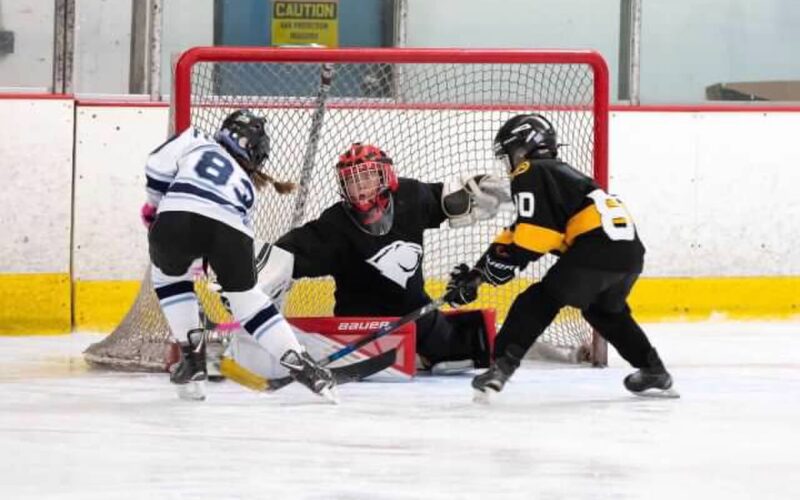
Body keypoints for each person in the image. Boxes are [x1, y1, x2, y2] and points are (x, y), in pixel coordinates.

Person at [443, 113, 678, 400]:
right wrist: (478, 276)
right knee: (605, 311)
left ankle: (500, 368)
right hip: (627, 254)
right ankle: (654, 370)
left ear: (523, 147)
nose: (509, 163)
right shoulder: (560, 175)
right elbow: (517, 233)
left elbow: (533, 240)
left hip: (596, 249)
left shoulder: (531, 170)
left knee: (539, 300)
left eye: (510, 153)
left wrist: (492, 274)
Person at [255, 142, 512, 373]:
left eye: (367, 176)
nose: (361, 186)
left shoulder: (411, 197)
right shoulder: (335, 224)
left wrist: (477, 190)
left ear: (384, 175)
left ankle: (422, 352)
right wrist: (256, 271)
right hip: (359, 323)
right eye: (353, 180)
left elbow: (447, 200)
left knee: (463, 352)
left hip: (414, 310)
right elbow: (294, 251)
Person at [142, 109, 336, 402]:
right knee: (248, 301)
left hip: (176, 219)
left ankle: (193, 358)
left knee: (169, 278)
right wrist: (230, 277)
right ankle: (302, 363)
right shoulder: (247, 188)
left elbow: (156, 166)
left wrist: (155, 207)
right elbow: (236, 233)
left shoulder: (195, 139)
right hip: (231, 232)